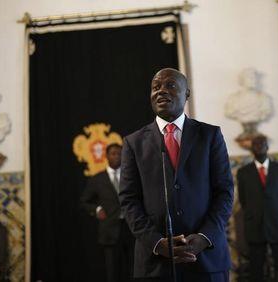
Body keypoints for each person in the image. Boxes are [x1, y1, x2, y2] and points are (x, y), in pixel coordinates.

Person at [119, 68, 234, 282]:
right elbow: (128, 200)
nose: (161, 91)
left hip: (206, 259)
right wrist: (156, 243)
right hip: (155, 264)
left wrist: (203, 237)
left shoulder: (210, 136)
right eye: (155, 87)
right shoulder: (133, 143)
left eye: (170, 85)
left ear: (187, 94)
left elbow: (224, 193)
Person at [237, 135, 278, 282]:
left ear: (267, 147)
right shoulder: (243, 172)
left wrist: (277, 212)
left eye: (262, 144)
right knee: (256, 268)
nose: (259, 146)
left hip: (277, 223)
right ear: (251, 148)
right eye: (256, 144)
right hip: (255, 226)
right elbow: (243, 200)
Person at [80, 143, 134, 282]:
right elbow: (85, 201)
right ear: (107, 156)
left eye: (120, 153)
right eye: (113, 153)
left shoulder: (131, 175)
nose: (117, 156)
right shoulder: (98, 179)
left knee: (133, 268)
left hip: (131, 229)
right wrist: (97, 209)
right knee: (112, 270)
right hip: (110, 231)